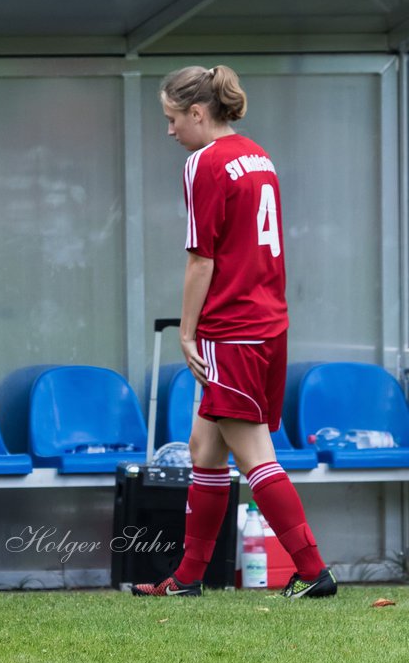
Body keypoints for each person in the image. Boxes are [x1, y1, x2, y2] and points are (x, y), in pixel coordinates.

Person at [133, 64, 336, 599]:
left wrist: (188, 331)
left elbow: (201, 259)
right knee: (205, 448)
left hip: (232, 327)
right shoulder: (257, 153)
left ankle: (314, 572)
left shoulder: (204, 162)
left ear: (198, 113)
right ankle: (188, 578)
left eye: (172, 119)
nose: (170, 130)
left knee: (254, 456)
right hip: (268, 322)